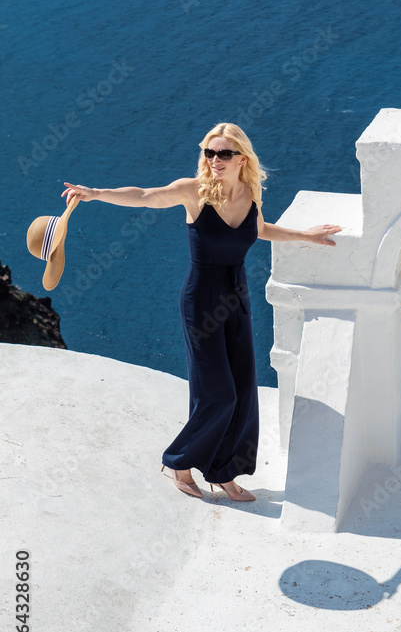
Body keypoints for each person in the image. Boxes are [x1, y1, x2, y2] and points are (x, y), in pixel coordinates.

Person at [62, 122, 342, 501]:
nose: (214, 160)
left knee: (243, 392)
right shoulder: (194, 192)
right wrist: (95, 193)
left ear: (242, 157)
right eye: (209, 152)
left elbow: (258, 229)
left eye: (224, 153)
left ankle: (223, 471)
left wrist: (305, 236)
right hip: (202, 299)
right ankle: (179, 460)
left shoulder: (250, 193)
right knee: (219, 393)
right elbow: (146, 196)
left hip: (237, 297)